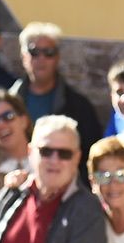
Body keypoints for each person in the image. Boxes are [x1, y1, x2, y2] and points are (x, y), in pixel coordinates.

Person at [10, 22, 102, 176]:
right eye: (34, 52)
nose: (41, 59)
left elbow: (90, 158)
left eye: (49, 52)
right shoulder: (7, 104)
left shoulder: (78, 107)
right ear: (23, 55)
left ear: (58, 57)